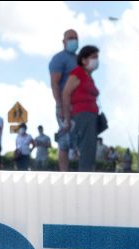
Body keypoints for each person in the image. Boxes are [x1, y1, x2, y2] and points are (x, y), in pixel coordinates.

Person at [61, 45, 101, 172]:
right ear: (83, 60)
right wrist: (67, 119)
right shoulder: (77, 73)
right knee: (86, 152)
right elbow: (66, 93)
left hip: (90, 116)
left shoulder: (88, 76)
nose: (96, 60)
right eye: (93, 57)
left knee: (89, 152)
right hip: (82, 115)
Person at [49, 29, 79, 172]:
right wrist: (60, 106)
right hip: (65, 107)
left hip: (80, 107)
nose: (73, 40)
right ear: (64, 41)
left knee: (78, 142)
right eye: (70, 38)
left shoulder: (79, 59)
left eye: (75, 38)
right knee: (65, 142)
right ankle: (64, 174)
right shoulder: (58, 59)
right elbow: (55, 84)